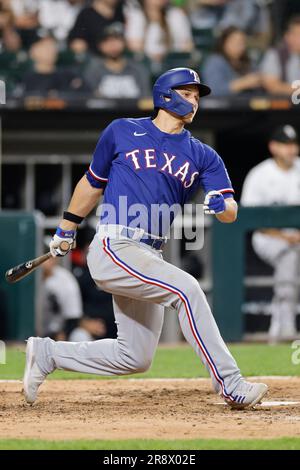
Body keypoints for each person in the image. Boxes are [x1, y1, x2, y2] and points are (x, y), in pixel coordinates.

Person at [23, 66, 268, 409]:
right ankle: (231, 383)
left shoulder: (204, 155)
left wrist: (220, 203)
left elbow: (230, 210)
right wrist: (66, 228)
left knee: (134, 357)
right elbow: (92, 184)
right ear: (165, 95)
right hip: (115, 245)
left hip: (150, 254)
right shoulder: (123, 130)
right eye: (187, 93)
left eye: (197, 96)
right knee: (187, 289)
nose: (194, 101)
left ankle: (48, 354)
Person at [241, 125, 300, 343]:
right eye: (286, 145)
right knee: (290, 255)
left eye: (293, 145)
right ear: (273, 147)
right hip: (268, 238)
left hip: (296, 238)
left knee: (292, 256)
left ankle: (278, 325)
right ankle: (286, 328)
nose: (291, 150)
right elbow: (252, 220)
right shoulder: (260, 174)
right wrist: (285, 237)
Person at [83, 24, 151, 99]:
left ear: (124, 43)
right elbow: (89, 100)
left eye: (117, 39)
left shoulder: (138, 69)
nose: (113, 44)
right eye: (107, 41)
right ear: (100, 46)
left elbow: (146, 98)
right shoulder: (93, 71)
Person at [125, 0, 193, 64]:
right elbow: (134, 47)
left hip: (172, 63)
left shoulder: (176, 15)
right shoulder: (136, 16)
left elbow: (187, 46)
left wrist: (166, 56)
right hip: (145, 65)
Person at [202, 26, 261, 96]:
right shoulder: (215, 61)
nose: (240, 46)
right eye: (235, 42)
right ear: (224, 43)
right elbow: (214, 90)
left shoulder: (248, 61)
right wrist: (243, 83)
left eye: (242, 42)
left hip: (246, 104)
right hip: (223, 105)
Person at [260, 16, 300, 96]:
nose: (297, 39)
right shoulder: (274, 55)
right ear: (286, 36)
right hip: (281, 106)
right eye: (295, 34)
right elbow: (272, 86)